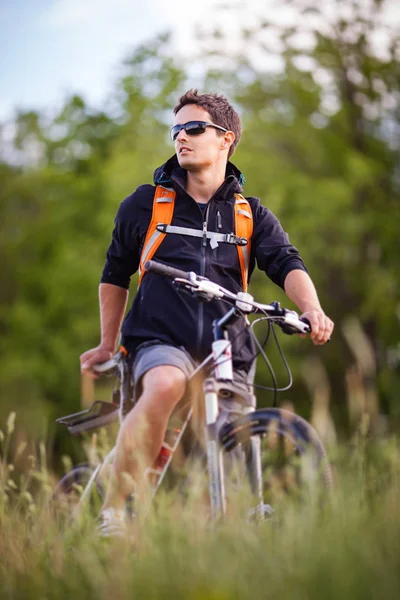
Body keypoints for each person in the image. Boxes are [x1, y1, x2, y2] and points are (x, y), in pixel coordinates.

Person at [80, 89, 334, 535]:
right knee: (165, 385)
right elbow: (115, 275)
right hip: (160, 337)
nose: (181, 136)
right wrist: (107, 341)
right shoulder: (145, 203)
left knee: (224, 463)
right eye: (176, 128)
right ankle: (114, 511)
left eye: (194, 128)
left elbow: (288, 264)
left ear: (225, 139)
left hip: (227, 347)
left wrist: (311, 309)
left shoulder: (250, 214)